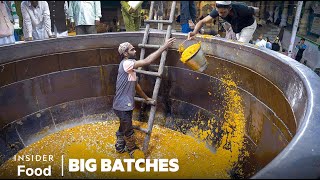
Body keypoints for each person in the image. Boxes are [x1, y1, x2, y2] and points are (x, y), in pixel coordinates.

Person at [113, 37, 176, 157]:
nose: (135, 51)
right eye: (132, 50)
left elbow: (136, 86)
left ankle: (120, 145)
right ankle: (132, 150)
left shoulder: (130, 69)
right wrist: (163, 47)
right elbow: (147, 61)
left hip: (123, 105)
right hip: (122, 105)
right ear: (126, 53)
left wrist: (146, 98)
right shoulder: (126, 63)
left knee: (123, 125)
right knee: (128, 130)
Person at [188, 1, 259, 43]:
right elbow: (202, 21)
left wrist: (252, 10)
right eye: (219, 12)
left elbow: (256, 9)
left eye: (223, 12)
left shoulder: (242, 9)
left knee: (241, 45)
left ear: (230, 8)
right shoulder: (217, 11)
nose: (220, 14)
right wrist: (194, 32)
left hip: (248, 26)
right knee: (238, 43)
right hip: (237, 27)